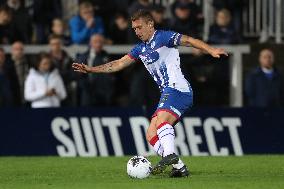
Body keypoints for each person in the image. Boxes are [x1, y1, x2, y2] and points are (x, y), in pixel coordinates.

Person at [72, 9, 228, 177]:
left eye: (139, 27)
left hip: (177, 88)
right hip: (168, 92)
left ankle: (169, 155)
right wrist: (91, 69)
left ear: (150, 24)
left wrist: (211, 50)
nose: (137, 31)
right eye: (134, 29)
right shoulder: (140, 48)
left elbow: (189, 40)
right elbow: (118, 64)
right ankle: (179, 168)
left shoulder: (163, 37)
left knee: (161, 120)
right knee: (151, 134)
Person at [76, 34, 115, 106]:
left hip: (104, 96)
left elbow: (111, 76)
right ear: (90, 43)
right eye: (95, 42)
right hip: (87, 95)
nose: (98, 44)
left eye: (100, 42)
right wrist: (85, 87)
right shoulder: (82, 57)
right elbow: (78, 76)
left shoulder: (108, 57)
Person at [9, 41, 30, 106]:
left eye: (21, 49)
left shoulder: (29, 64)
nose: (19, 51)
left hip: (27, 99)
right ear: (12, 51)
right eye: (16, 49)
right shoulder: (7, 65)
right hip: (13, 99)